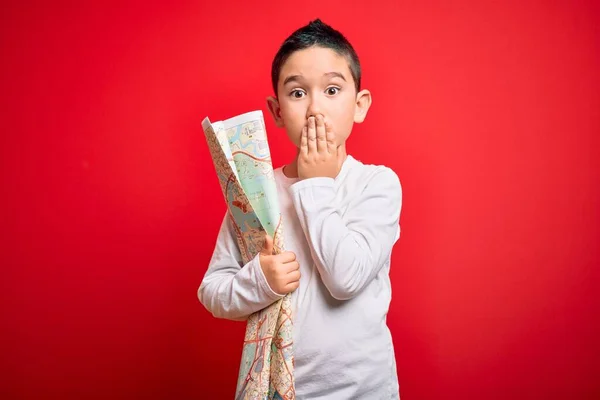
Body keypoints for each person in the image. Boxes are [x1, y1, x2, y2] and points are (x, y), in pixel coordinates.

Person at [198, 18, 403, 399]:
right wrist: (260, 280)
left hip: (365, 390)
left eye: (331, 90)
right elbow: (212, 290)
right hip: (282, 391)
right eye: (297, 94)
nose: (314, 109)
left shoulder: (377, 185)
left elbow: (345, 278)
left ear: (359, 106)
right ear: (276, 112)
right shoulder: (257, 194)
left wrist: (315, 183)